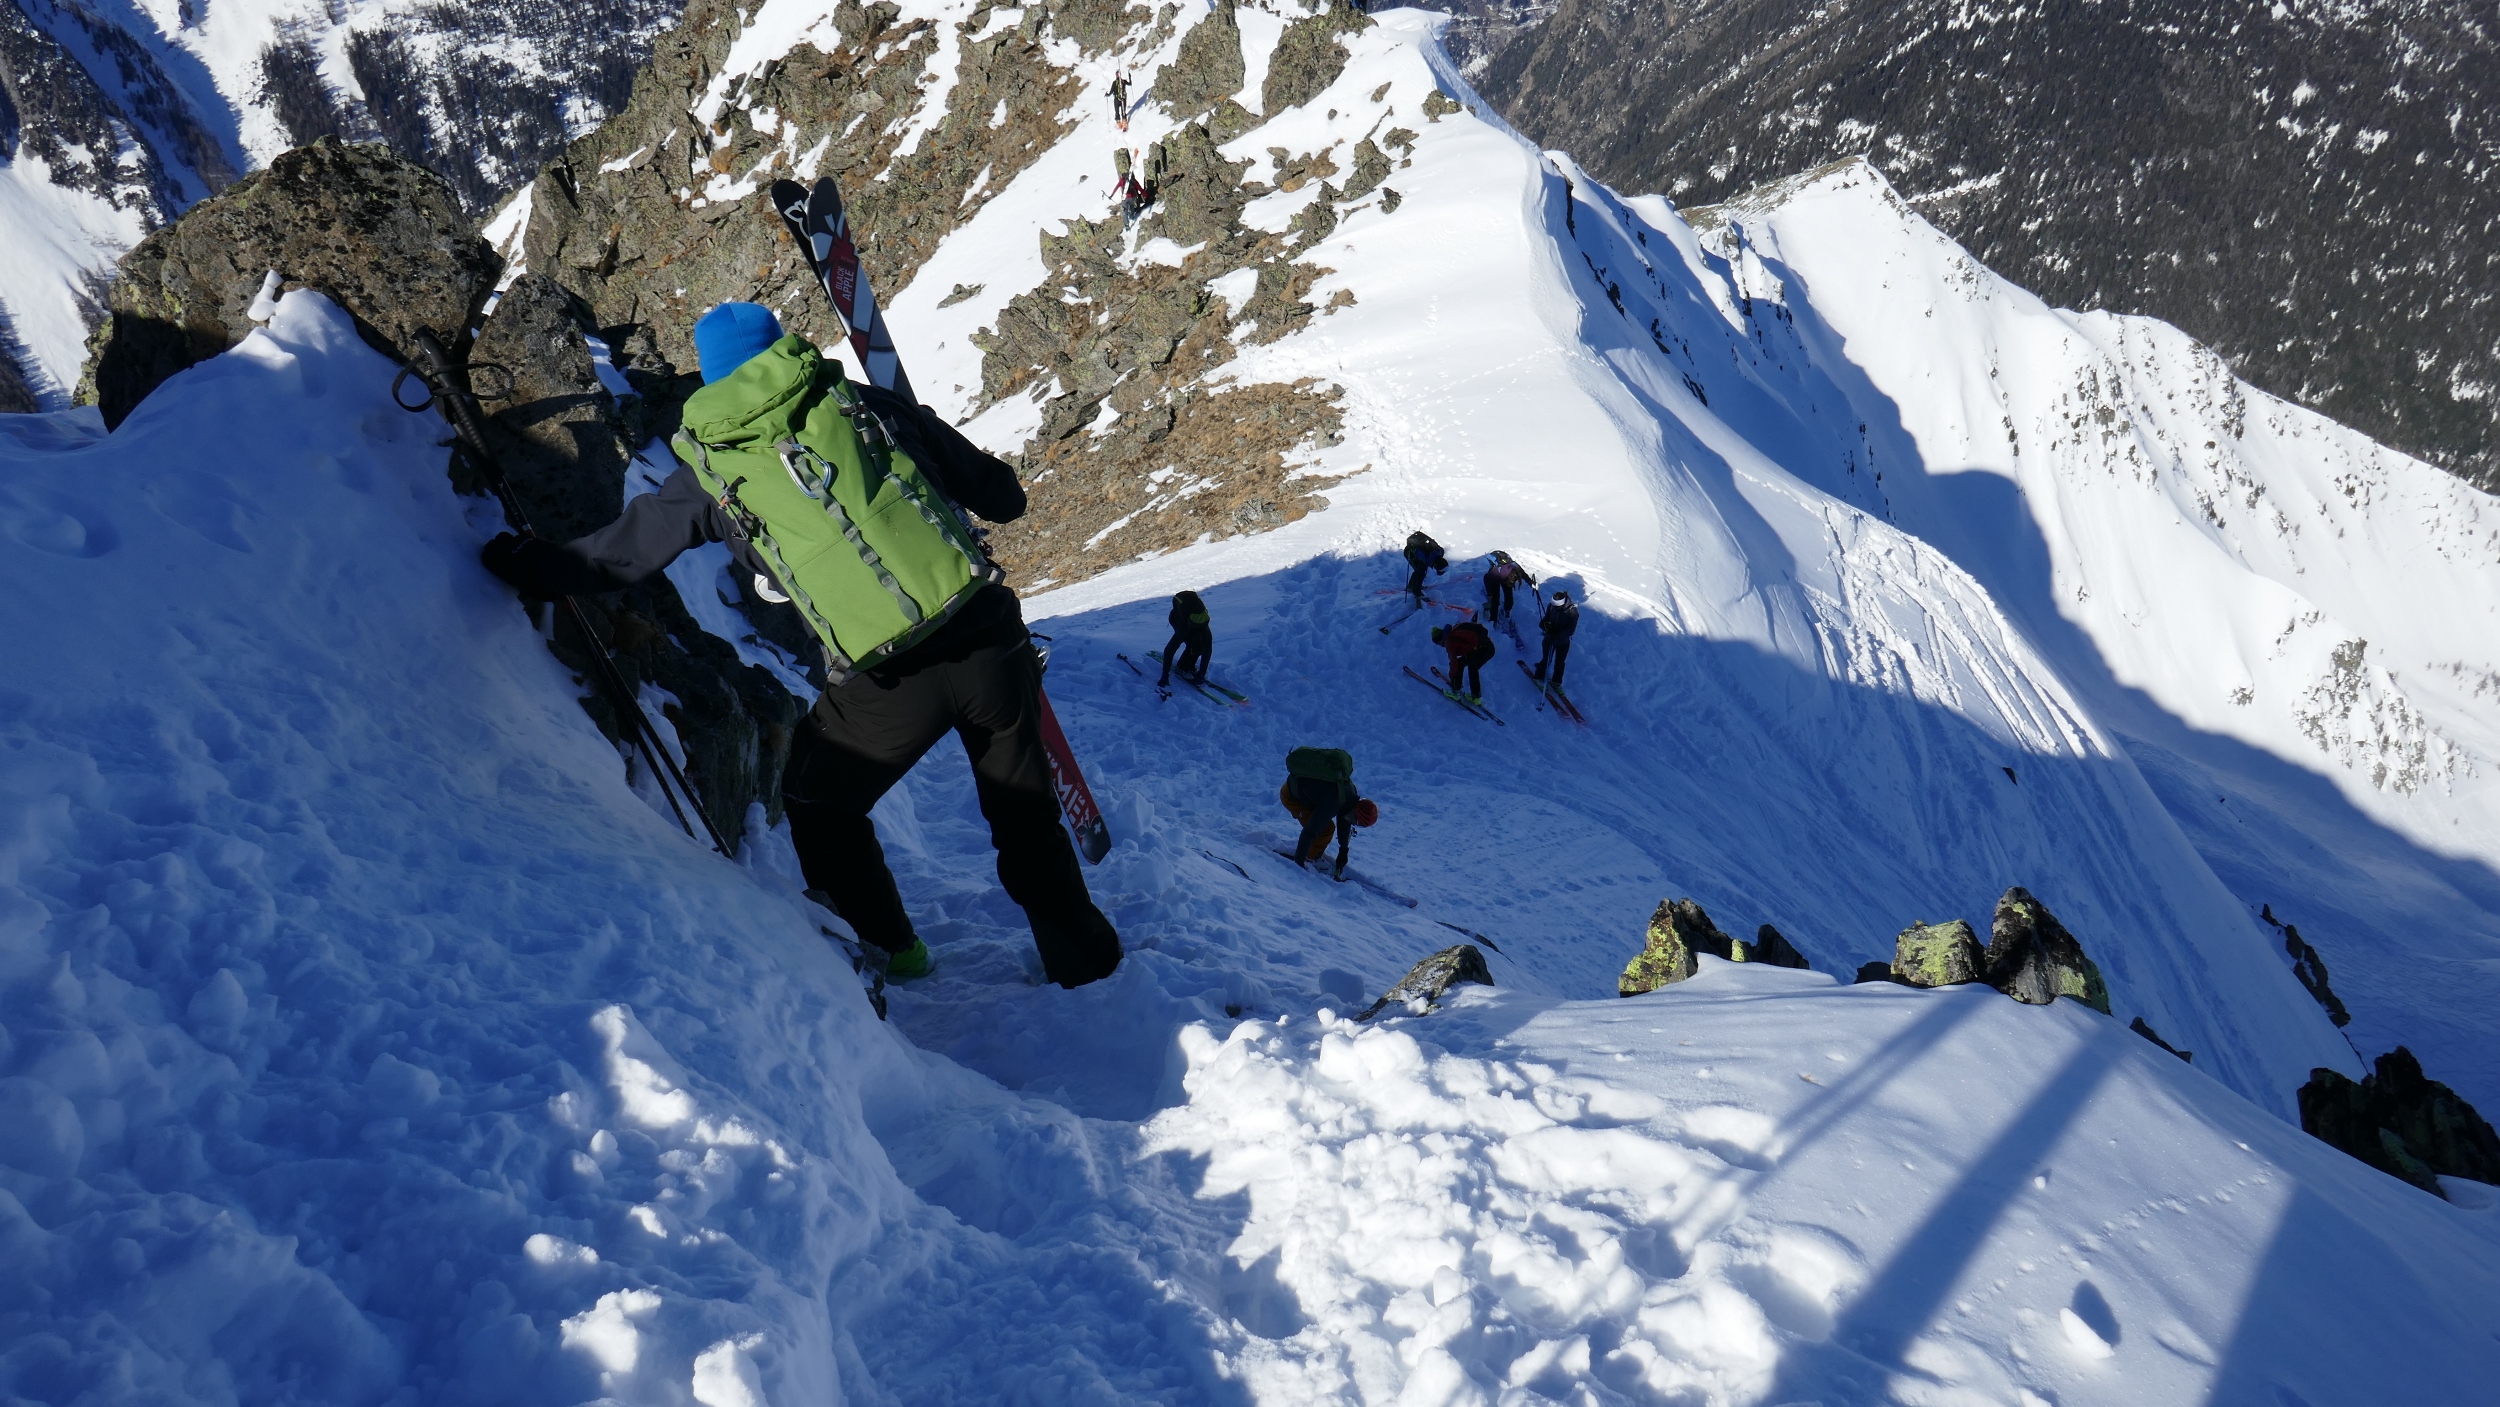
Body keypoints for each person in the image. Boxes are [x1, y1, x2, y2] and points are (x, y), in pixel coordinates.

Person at [479, 302, 1122, 989]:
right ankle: (1087, 968)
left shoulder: (711, 469)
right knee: (1024, 816)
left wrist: (525, 563)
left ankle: (890, 950)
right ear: (783, 347)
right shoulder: (860, 405)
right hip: (988, 638)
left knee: (819, 799)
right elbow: (1005, 498)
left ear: (713, 377)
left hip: (886, 682)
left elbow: (619, 558)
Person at [1279, 746, 1377, 878]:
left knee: (1323, 825)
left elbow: (1344, 820)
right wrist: (1298, 864)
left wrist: (1343, 850)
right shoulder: (1333, 801)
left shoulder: (1350, 795)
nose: (1352, 823)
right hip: (1290, 796)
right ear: (1355, 811)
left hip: (1307, 795)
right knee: (1326, 829)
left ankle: (1311, 854)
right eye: (1355, 820)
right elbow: (1310, 831)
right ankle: (1310, 858)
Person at [1431, 619, 1495, 701]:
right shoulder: (1454, 631)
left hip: (1481, 650)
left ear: (1440, 640)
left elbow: (1454, 662)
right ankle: (1476, 697)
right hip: (1489, 648)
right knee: (1472, 667)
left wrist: (1452, 676)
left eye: (1437, 643)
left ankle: (1456, 692)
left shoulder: (1449, 641)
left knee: (1460, 665)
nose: (1439, 645)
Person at [1159, 589, 1212, 687]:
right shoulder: (1182, 632)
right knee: (1189, 644)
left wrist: (1202, 673)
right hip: (1176, 617)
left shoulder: (1206, 632)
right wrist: (1164, 676)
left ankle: (1187, 665)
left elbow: (1207, 652)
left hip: (1191, 616)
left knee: (1195, 647)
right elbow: (1169, 651)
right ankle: (1182, 667)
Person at [1535, 588, 1580, 689]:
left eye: (1557, 607)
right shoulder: (1552, 606)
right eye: (1554, 606)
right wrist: (1544, 625)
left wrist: (1557, 630)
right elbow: (1546, 619)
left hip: (1562, 642)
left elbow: (1571, 630)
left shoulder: (1572, 612)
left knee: (1560, 662)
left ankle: (1556, 681)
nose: (1555, 608)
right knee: (1546, 659)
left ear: (1562, 604)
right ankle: (1538, 676)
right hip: (1549, 639)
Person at [1481, 550, 1534, 623]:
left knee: (1509, 597)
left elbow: (1523, 574)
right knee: (1495, 600)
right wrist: (1490, 593)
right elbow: (1486, 578)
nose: (1514, 583)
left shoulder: (1516, 569)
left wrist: (1531, 583)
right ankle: (1493, 620)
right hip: (1495, 579)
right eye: (1513, 582)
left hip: (1505, 577)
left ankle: (1507, 610)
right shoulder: (1495, 574)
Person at [1402, 530, 1448, 607]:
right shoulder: (1425, 561)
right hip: (1409, 552)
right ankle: (1412, 588)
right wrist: (1418, 594)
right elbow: (1420, 575)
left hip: (1419, 553)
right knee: (1419, 571)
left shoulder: (1440, 552)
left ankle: (1411, 586)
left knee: (1419, 570)